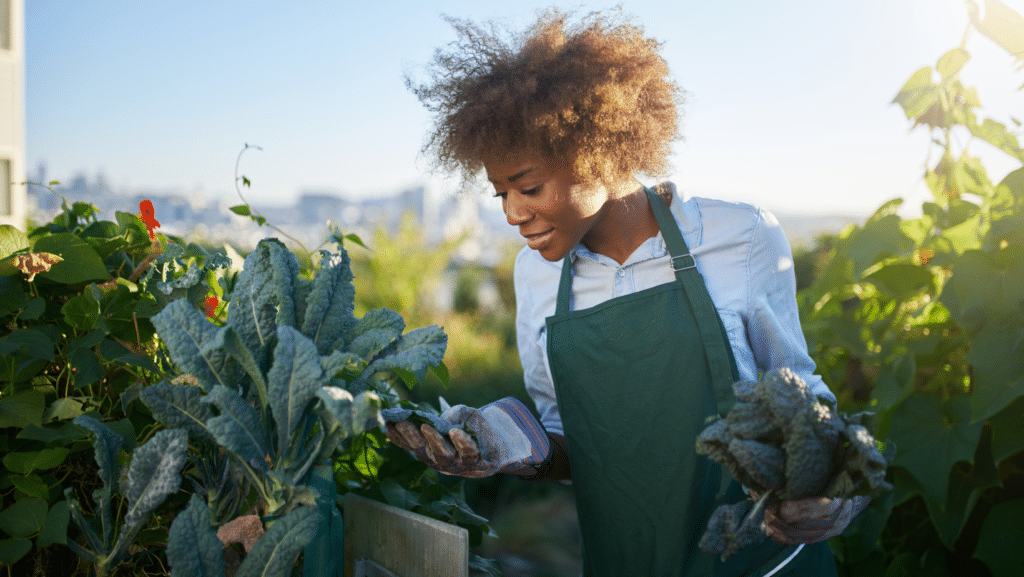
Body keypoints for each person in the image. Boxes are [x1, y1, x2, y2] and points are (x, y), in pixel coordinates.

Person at [386, 8, 864, 576]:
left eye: (529, 186)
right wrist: (510, 448)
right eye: (500, 195)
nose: (514, 213)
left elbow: (802, 395)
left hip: (762, 564)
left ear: (601, 151)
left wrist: (836, 490)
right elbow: (572, 448)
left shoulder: (738, 238)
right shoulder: (536, 275)